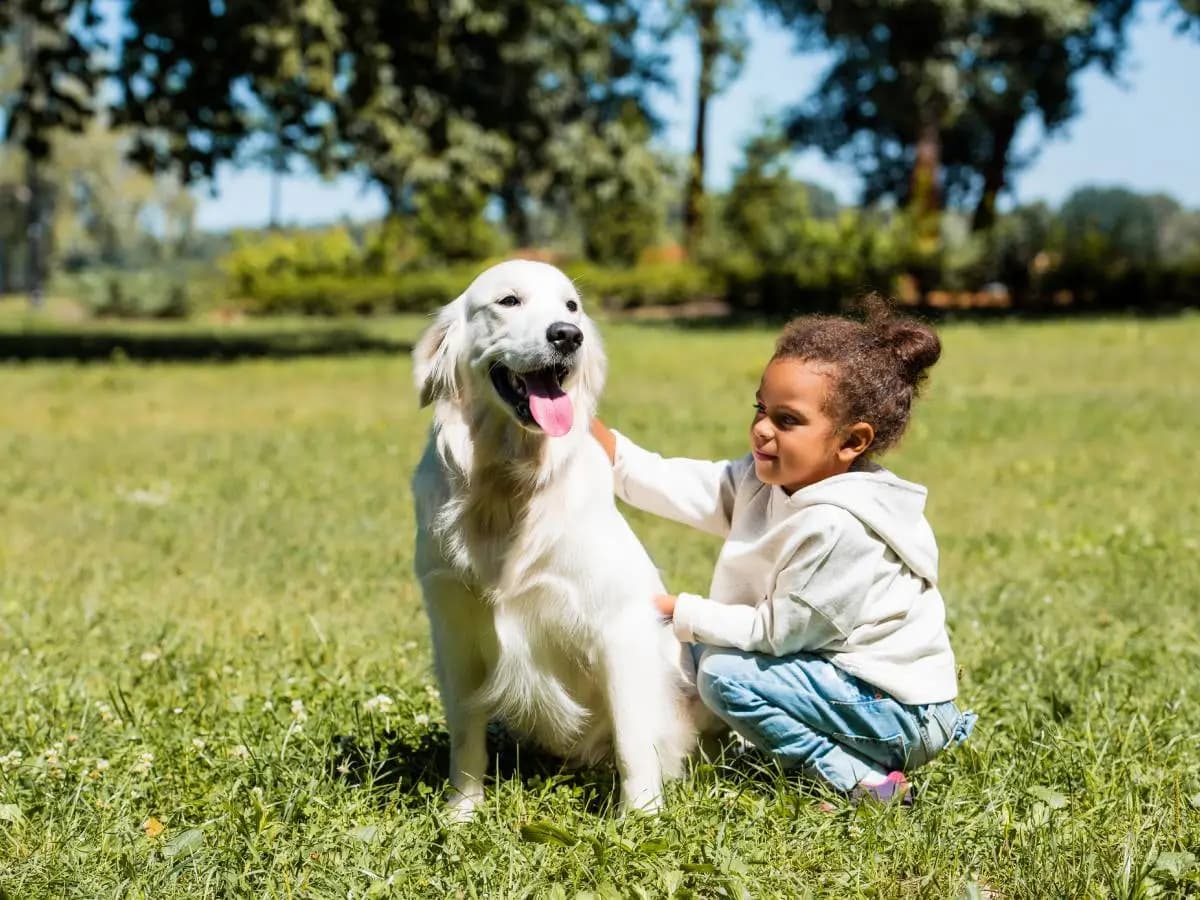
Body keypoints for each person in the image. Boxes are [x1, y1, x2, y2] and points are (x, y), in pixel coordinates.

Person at [590, 301, 976, 805]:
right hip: (844, 685)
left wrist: (676, 608)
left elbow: (777, 633)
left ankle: (857, 780)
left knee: (722, 672)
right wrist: (601, 439)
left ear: (851, 441)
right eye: (760, 409)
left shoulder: (838, 527)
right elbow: (680, 484)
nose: (762, 430)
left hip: (901, 713)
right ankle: (698, 740)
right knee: (705, 649)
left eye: (787, 420)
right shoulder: (765, 480)